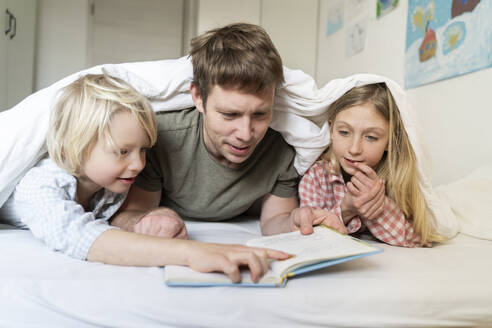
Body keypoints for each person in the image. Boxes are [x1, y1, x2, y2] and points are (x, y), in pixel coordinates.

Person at [0, 74, 291, 283]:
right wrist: (190, 253)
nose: (138, 164)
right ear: (70, 148)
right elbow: (85, 239)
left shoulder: (112, 188)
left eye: (143, 150)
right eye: (123, 151)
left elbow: (124, 219)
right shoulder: (39, 188)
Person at [110, 23, 346, 237]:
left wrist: (295, 221)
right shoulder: (164, 138)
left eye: (260, 114)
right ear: (198, 98)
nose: (245, 133)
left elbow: (274, 220)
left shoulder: (283, 147)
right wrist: (147, 221)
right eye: (230, 115)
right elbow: (134, 212)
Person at [299, 83, 442, 247]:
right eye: (344, 132)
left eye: (371, 137)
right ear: (331, 131)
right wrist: (347, 209)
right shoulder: (316, 176)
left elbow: (420, 239)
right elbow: (308, 235)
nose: (354, 149)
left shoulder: (398, 178)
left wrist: (379, 206)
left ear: (389, 141)